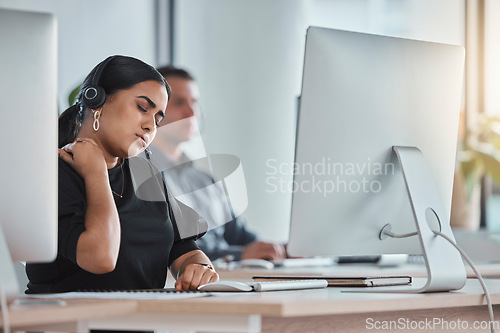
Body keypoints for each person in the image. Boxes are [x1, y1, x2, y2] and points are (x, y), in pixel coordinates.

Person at [26, 56, 218, 294]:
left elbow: (181, 246)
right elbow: (101, 258)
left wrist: (196, 267)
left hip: (139, 321)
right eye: (142, 107)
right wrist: (95, 173)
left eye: (158, 119)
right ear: (97, 101)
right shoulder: (54, 174)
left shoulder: (144, 174)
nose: (151, 126)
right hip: (70, 325)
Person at [149, 65, 286, 261]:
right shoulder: (141, 176)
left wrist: (278, 250)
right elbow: (172, 247)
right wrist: (239, 255)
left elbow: (236, 233)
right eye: (179, 102)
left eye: (194, 102)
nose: (191, 112)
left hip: (226, 276)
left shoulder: (202, 177)